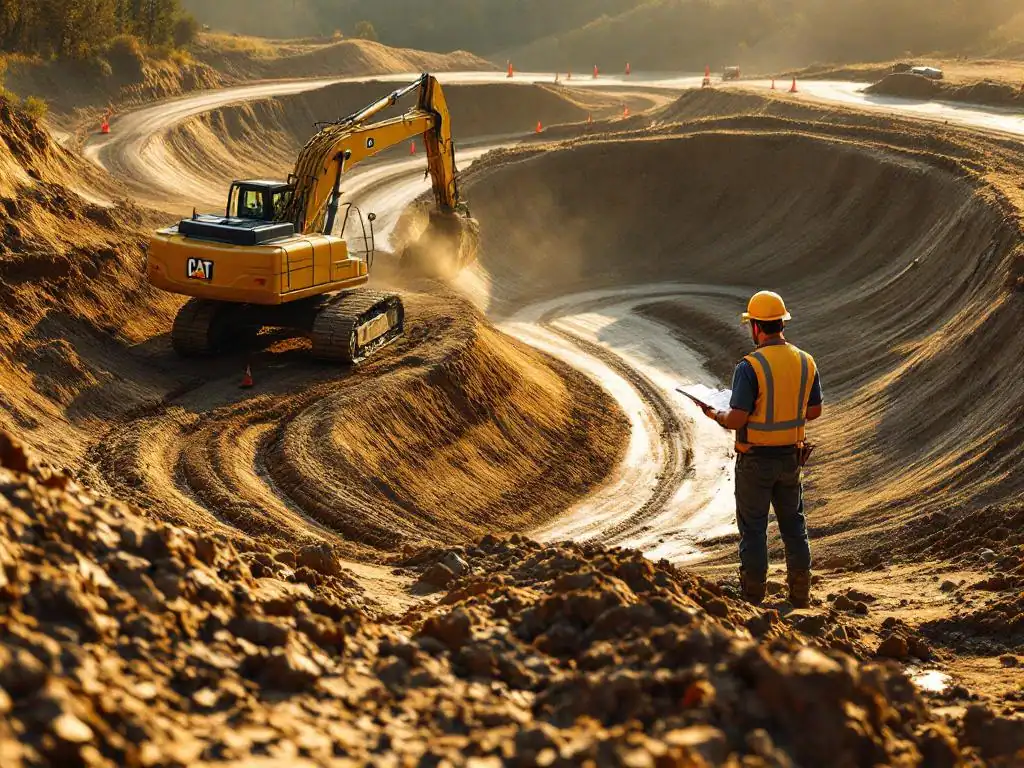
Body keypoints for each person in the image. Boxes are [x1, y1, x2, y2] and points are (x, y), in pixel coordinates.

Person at [701, 291, 823, 607]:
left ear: (756, 327)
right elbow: (813, 411)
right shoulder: (805, 361)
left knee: (754, 530)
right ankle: (800, 595)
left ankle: (753, 597)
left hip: (755, 460)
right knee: (794, 527)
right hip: (790, 460)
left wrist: (715, 414)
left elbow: (738, 417)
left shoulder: (749, 367)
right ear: (781, 323)